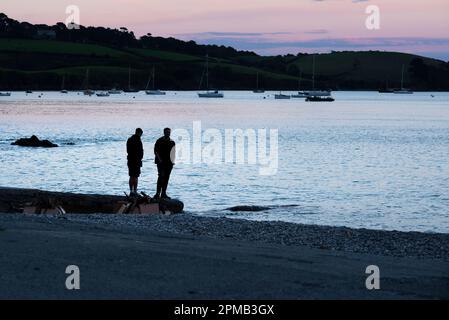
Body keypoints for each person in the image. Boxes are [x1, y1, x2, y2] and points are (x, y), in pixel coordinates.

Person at [154, 128, 175, 199]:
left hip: (169, 163)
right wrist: (160, 160)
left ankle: (163, 193)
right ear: (164, 132)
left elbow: (173, 152)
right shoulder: (159, 141)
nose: (168, 133)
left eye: (169, 132)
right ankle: (157, 193)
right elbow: (155, 151)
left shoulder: (172, 142)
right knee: (161, 177)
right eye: (167, 132)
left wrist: (173, 162)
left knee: (166, 178)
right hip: (161, 163)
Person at [127, 128, 144, 195]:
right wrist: (140, 157)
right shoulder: (138, 140)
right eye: (141, 134)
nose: (141, 135)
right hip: (136, 161)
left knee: (131, 176)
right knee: (136, 176)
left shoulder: (130, 139)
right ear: (139, 133)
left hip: (131, 160)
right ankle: (135, 191)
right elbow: (140, 151)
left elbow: (128, 150)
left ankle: (131, 191)